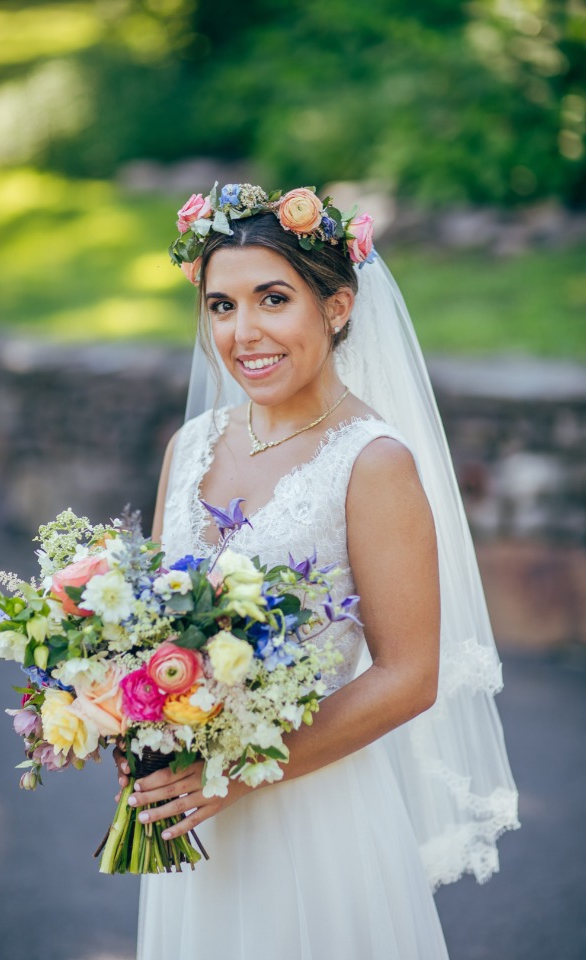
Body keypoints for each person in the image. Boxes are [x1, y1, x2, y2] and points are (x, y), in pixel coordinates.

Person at [114, 184, 519, 960]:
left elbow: (409, 675)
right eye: (221, 306)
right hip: (193, 818)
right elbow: (153, 625)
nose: (244, 333)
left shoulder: (372, 462)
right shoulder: (191, 443)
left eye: (273, 299)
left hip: (313, 813)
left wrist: (232, 773)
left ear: (335, 307)